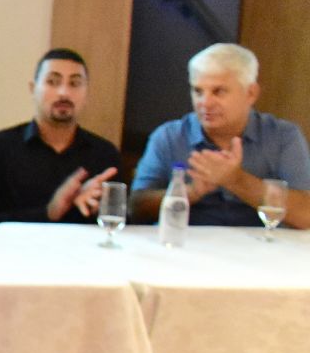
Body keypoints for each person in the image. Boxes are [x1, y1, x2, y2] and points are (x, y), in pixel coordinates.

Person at [131, 43, 310, 228]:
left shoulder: (283, 137)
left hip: (259, 244)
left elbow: (306, 216)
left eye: (219, 91)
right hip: (187, 242)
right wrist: (190, 193)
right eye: (198, 91)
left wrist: (236, 180)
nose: (205, 103)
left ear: (251, 93)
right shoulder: (169, 137)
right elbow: (136, 209)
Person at [0, 48, 120, 224]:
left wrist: (98, 208)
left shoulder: (104, 153)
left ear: (86, 93)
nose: (64, 92)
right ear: (33, 89)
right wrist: (48, 213)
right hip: (14, 243)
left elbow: (120, 223)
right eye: (53, 82)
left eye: (75, 84)